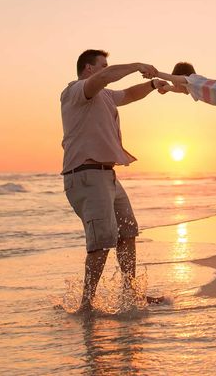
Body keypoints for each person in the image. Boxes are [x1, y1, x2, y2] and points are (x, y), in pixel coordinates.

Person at [60, 49, 169, 312]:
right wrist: (136, 64)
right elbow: (107, 77)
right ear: (88, 69)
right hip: (85, 175)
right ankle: (86, 304)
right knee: (102, 241)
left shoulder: (105, 96)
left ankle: (131, 294)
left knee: (127, 232)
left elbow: (129, 95)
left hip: (107, 176)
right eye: (102, 65)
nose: (106, 69)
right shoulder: (76, 91)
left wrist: (153, 84)